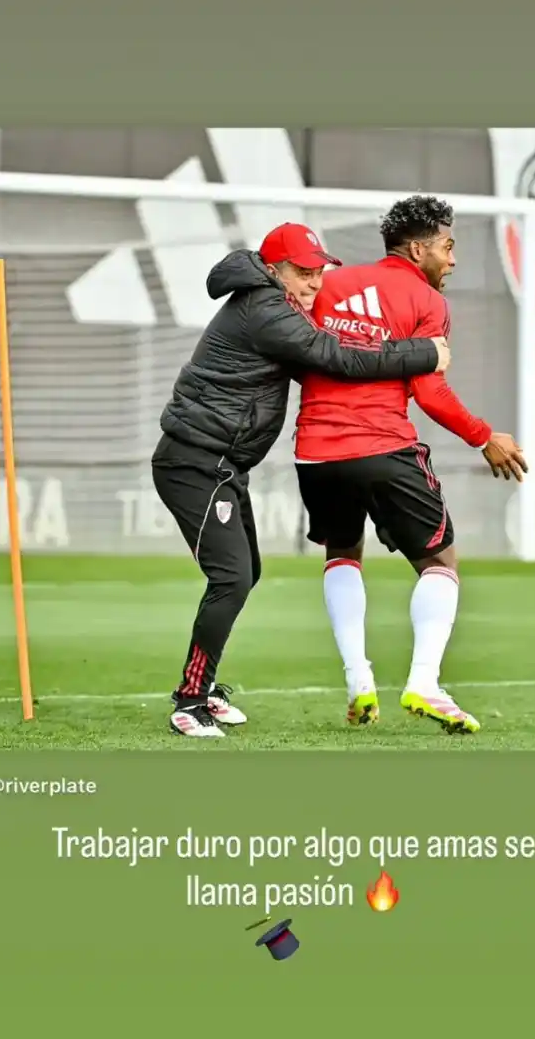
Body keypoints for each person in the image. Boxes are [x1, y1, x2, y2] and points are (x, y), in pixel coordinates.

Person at [152, 221, 450, 739]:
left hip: (220, 465)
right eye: (303, 272)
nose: (315, 282)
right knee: (232, 578)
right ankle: (190, 701)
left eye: (319, 271)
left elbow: (325, 354)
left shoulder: (275, 302)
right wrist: (426, 353)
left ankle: (207, 689)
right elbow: (334, 357)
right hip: (194, 463)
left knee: (244, 573)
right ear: (274, 269)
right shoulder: (266, 309)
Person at [294, 195, 527, 734]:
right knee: (441, 562)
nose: (453, 260)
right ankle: (424, 681)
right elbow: (429, 391)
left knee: (342, 551)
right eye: (447, 247)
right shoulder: (425, 300)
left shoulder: (326, 283)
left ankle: (358, 678)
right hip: (382, 445)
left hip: (316, 451)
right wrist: (483, 436)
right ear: (419, 248)